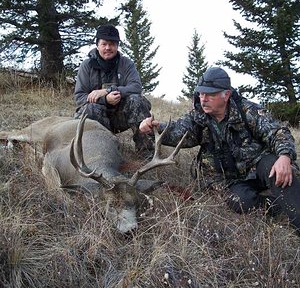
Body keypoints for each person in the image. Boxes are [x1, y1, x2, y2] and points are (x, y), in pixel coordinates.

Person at [139, 66, 300, 233]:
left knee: (279, 170)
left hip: (257, 165)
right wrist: (155, 128)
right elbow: (178, 131)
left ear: (227, 95)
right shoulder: (197, 117)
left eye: (210, 94)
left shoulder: (248, 111)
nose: (204, 99)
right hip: (226, 180)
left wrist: (284, 156)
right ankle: (278, 207)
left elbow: (278, 133)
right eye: (201, 93)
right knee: (240, 202)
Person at [74, 24, 153, 155]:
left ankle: (146, 153)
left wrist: (108, 91)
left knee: (136, 100)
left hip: (120, 116)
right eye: (104, 44)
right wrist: (105, 100)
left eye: (112, 44)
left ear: (117, 46)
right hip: (96, 118)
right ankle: (98, 153)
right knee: (90, 108)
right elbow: (79, 97)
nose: (108, 48)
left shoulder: (126, 63)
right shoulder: (86, 66)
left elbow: (136, 87)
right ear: (97, 45)